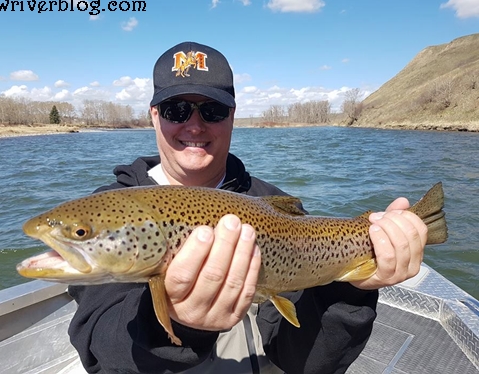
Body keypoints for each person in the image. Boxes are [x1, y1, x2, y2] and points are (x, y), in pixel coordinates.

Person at [68, 41, 428, 374]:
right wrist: (176, 323)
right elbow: (101, 348)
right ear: (153, 115)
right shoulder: (107, 213)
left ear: (232, 115)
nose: (194, 125)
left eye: (212, 110)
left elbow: (303, 362)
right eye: (176, 110)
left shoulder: (276, 206)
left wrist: (352, 288)